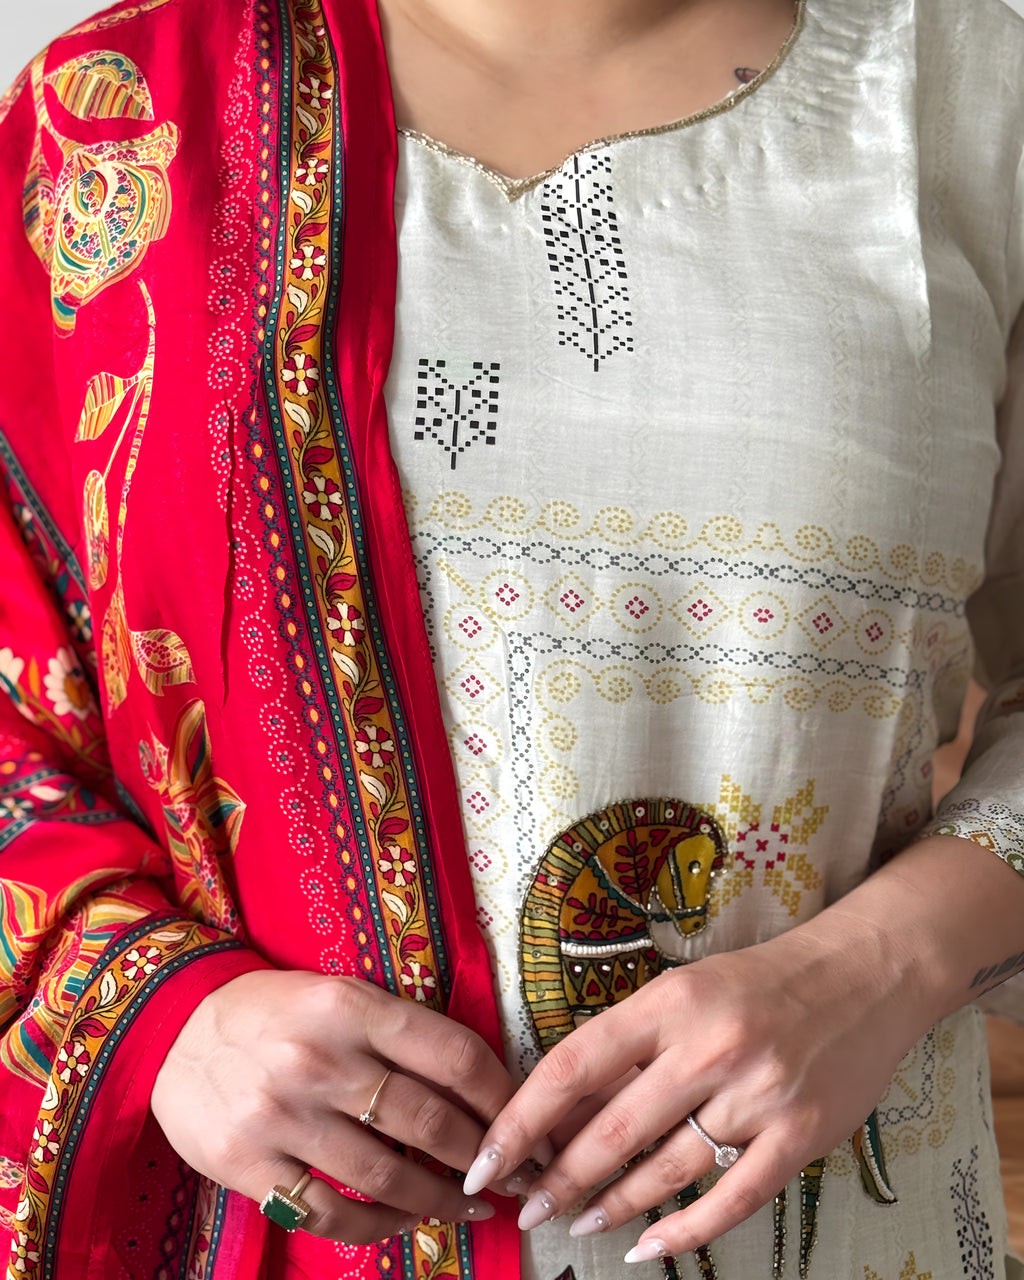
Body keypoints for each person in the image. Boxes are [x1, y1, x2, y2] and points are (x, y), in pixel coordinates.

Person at [0, 0, 1022, 1276]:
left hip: (844, 1227)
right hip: (280, 1233)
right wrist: (170, 1015)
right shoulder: (117, 124)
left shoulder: (977, 95)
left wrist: (878, 965)